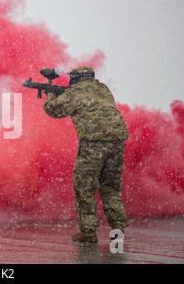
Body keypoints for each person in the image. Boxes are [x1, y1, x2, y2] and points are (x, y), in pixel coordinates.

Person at [43, 67, 129, 243]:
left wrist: (50, 94)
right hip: (117, 141)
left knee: (84, 186)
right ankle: (117, 226)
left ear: (76, 79)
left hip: (94, 141)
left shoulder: (76, 91)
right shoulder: (103, 89)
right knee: (111, 186)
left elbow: (53, 110)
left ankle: (88, 232)